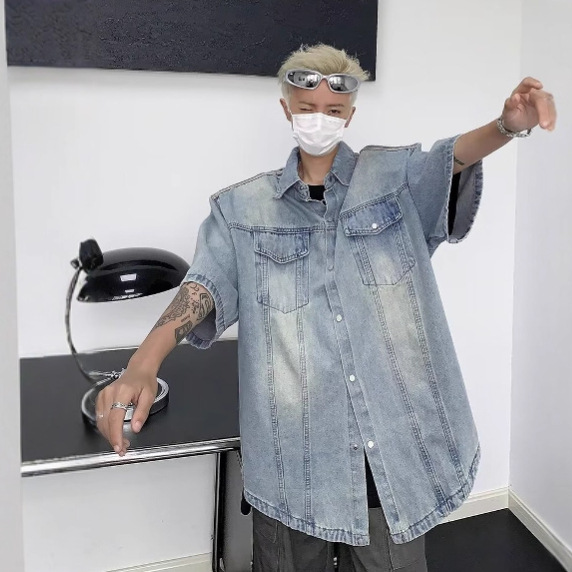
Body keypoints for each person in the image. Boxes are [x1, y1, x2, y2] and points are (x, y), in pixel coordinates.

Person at [95, 44, 557, 571]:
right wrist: (143, 363)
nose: (320, 118)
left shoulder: (396, 179)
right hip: (293, 465)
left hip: (389, 457)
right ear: (286, 108)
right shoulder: (241, 210)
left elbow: (453, 157)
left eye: (334, 110)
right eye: (307, 107)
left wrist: (506, 125)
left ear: (350, 115)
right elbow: (203, 287)